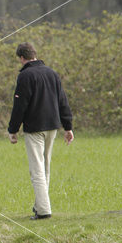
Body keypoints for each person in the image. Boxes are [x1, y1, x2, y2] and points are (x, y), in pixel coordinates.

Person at [8, 42, 73, 220]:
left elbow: (20, 106)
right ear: (34, 54)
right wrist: (68, 127)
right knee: (45, 167)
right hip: (53, 126)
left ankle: (44, 211)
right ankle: (39, 206)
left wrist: (13, 130)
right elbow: (63, 101)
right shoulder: (52, 73)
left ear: (22, 58)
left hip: (34, 129)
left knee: (36, 170)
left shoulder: (25, 76)